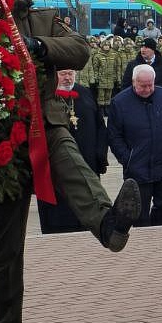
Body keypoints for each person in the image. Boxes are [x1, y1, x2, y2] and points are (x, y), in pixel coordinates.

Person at [0, 0, 141, 323]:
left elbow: (79, 49)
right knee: (6, 244)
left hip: (47, 120)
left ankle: (109, 224)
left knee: (74, 163)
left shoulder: (44, 18)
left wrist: (38, 45)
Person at [108, 63, 162, 226]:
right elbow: (114, 137)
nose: (148, 89)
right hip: (137, 167)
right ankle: (142, 238)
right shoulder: (119, 102)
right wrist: (128, 158)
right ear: (133, 82)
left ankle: (158, 233)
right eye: (143, 86)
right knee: (139, 212)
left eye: (151, 85)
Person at [37, 68, 109, 234]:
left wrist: (100, 156)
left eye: (70, 74)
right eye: (63, 74)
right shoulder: (45, 97)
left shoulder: (85, 93)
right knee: (60, 214)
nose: (67, 78)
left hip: (88, 161)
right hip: (58, 166)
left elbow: (101, 127)